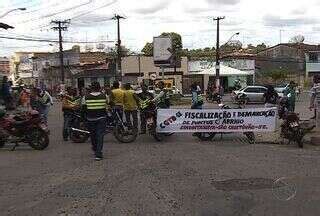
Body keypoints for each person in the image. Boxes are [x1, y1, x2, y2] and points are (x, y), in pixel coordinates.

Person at [82, 82, 107, 161]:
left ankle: (96, 149)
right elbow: (108, 104)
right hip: (101, 119)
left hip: (90, 119)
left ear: (91, 88)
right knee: (100, 136)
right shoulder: (104, 96)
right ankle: (98, 154)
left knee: (93, 136)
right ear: (99, 88)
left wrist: (83, 120)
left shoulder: (85, 97)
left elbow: (83, 110)